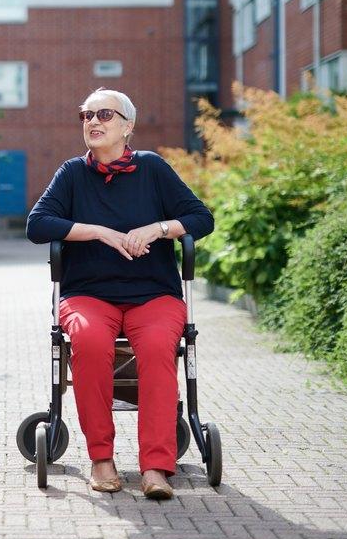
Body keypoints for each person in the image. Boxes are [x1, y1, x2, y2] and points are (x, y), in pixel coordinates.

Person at [26, 88, 213, 500]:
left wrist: (159, 229)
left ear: (128, 126)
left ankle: (156, 467)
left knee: (159, 348)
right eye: (86, 115)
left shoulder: (153, 169)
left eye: (104, 114)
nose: (93, 122)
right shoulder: (72, 173)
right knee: (90, 343)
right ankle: (102, 459)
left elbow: (202, 218)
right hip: (89, 295)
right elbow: (38, 225)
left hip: (154, 296)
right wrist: (99, 232)